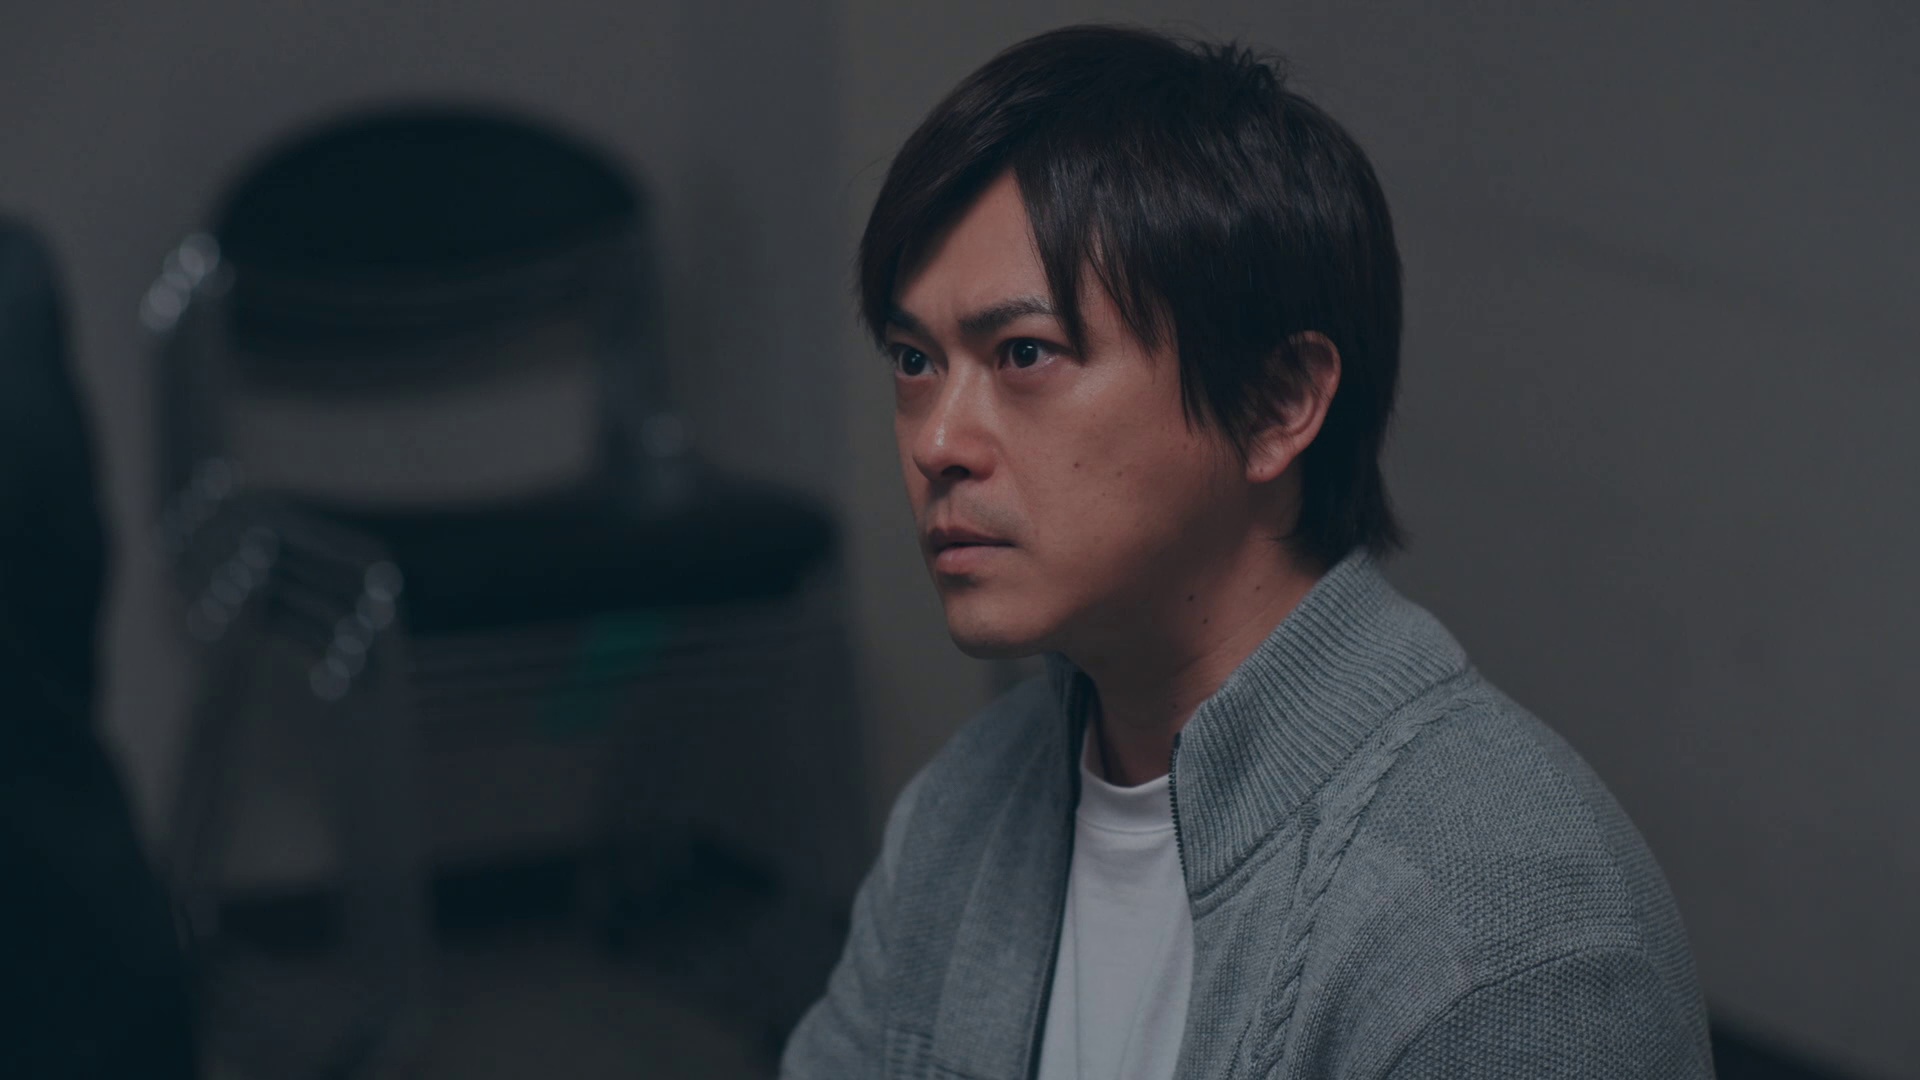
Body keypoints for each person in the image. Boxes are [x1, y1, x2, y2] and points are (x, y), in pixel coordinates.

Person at [783, 24, 1711, 1080]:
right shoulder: (965, 808)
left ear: (1277, 404)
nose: (938, 442)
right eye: (914, 361)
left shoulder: (1502, 936)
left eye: (1025, 353)